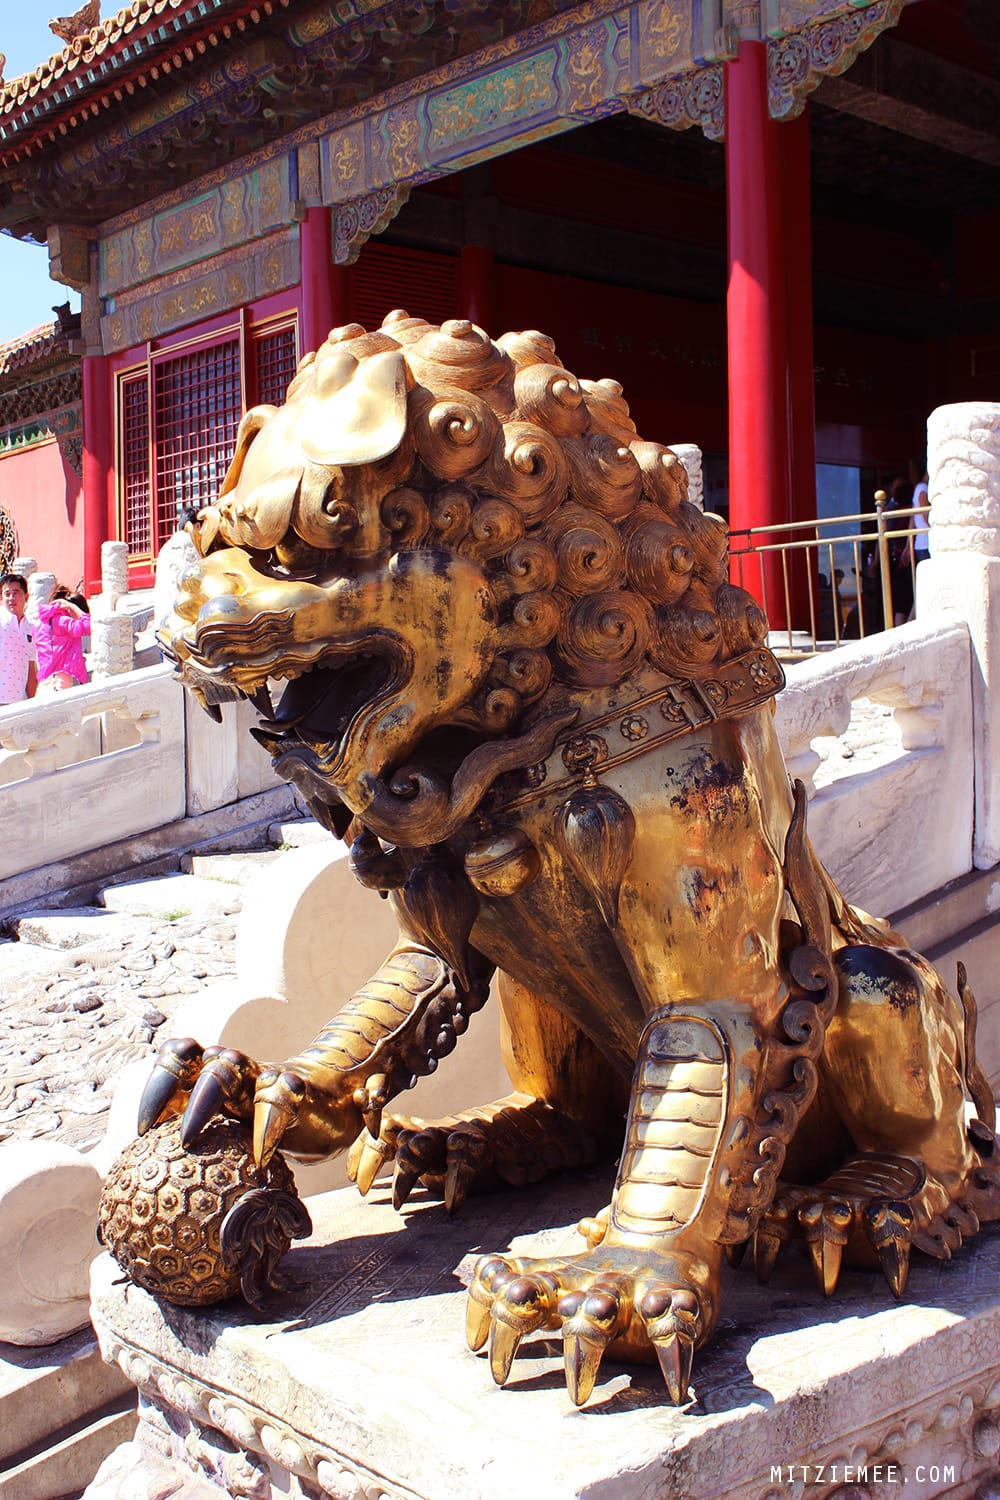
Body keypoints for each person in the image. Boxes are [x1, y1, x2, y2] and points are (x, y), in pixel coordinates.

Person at [34, 585, 90, 692]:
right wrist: (72, 607)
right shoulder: (62, 621)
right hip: (59, 682)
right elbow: (89, 625)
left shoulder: (41, 623)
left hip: (45, 683)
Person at [0, 572, 37, 704]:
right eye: (7, 593)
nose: (11, 598)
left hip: (18, 702)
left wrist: (34, 702)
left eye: (15, 593)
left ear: (26, 596)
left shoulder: (30, 629)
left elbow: (30, 670)